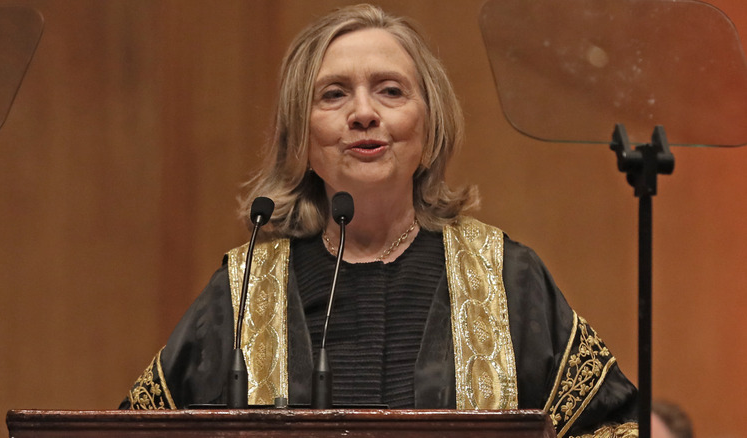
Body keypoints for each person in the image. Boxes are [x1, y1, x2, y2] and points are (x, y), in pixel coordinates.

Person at [120, 4, 638, 437]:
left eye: (390, 90)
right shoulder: (242, 290)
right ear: (299, 133)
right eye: (333, 94)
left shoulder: (507, 277)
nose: (363, 113)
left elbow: (614, 427)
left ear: (429, 123)